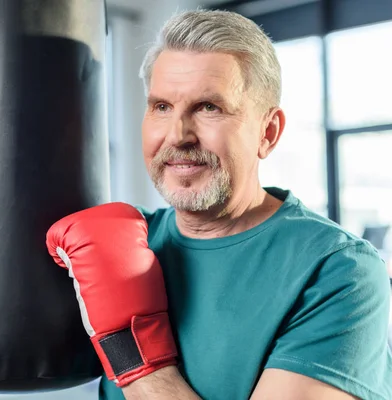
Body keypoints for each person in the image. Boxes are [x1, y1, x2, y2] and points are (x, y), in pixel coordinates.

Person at [46, 9, 392, 400]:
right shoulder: (117, 245)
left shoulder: (338, 271)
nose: (178, 135)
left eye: (208, 107)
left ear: (268, 132)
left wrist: (135, 359)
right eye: (161, 106)